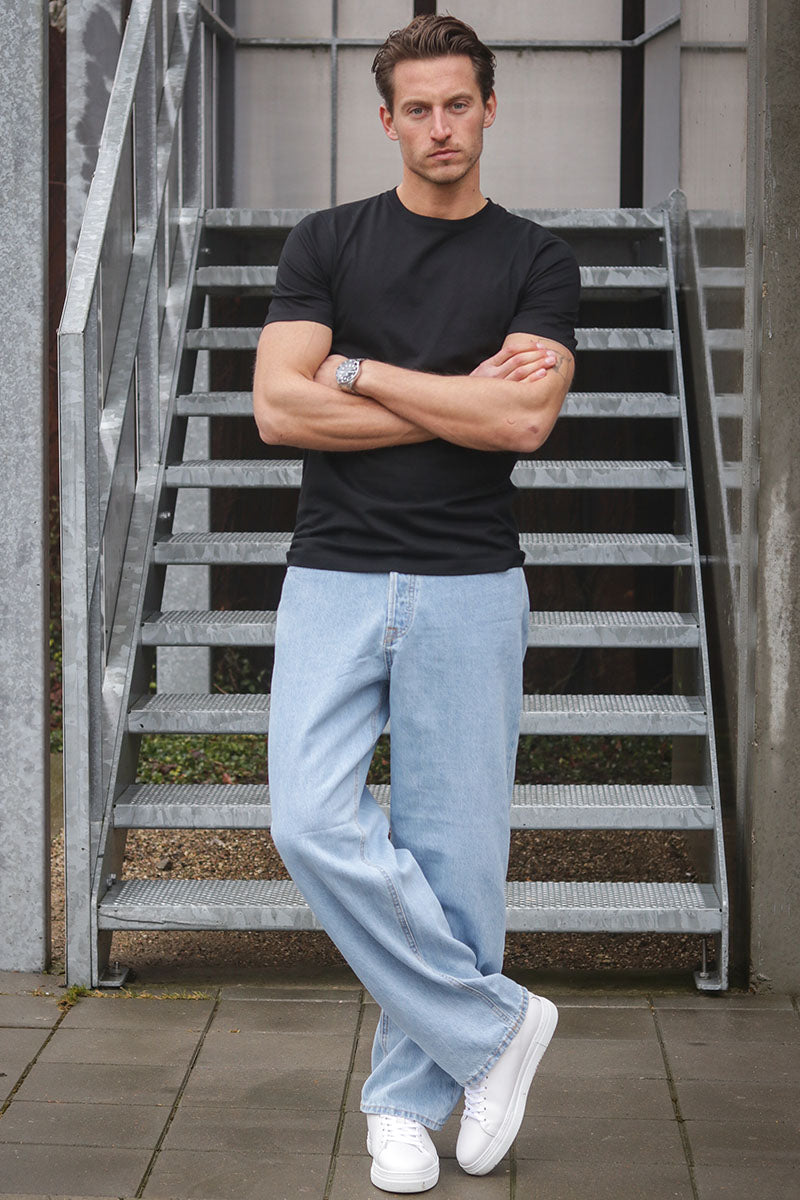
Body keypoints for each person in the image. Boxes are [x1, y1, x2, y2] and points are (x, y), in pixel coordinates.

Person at [253, 13, 580, 1194]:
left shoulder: (536, 261)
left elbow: (522, 420)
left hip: (469, 581)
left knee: (454, 858)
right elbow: (278, 409)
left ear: (487, 109)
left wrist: (355, 369)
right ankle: (494, 1027)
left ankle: (404, 1105)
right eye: (417, 109)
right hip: (333, 572)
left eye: (457, 104)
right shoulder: (328, 241)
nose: (439, 127)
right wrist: (453, 400)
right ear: (385, 120)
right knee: (307, 820)